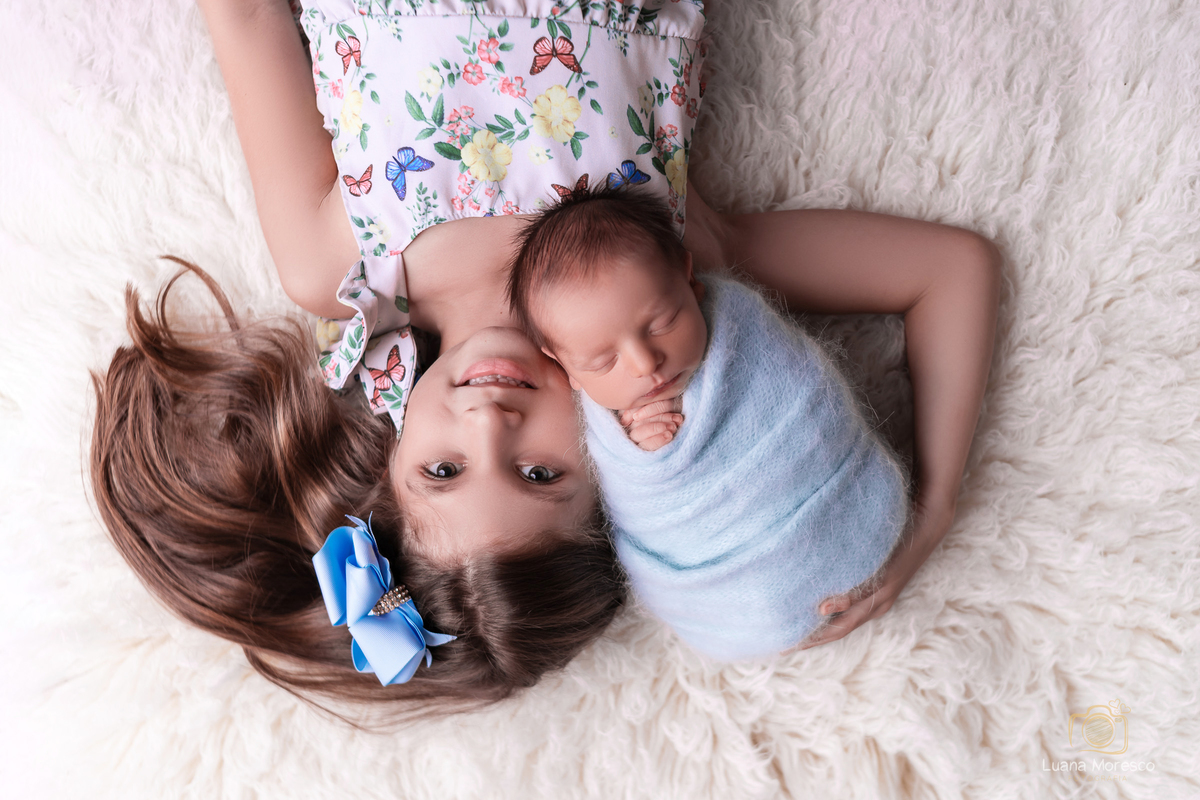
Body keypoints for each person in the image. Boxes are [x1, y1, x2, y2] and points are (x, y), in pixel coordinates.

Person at [89, 0, 999, 717]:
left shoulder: (339, 265)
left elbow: (246, 18)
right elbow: (950, 272)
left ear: (392, 456)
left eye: (444, 470)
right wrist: (934, 504)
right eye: (538, 471)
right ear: (611, 468)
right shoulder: (668, 266)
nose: (490, 422)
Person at [508, 187, 909, 660]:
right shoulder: (601, 428)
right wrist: (643, 457)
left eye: (662, 323)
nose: (645, 363)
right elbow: (635, 501)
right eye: (603, 360)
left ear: (690, 281)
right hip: (713, 585)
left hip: (830, 499)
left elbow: (804, 395)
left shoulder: (741, 327)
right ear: (565, 367)